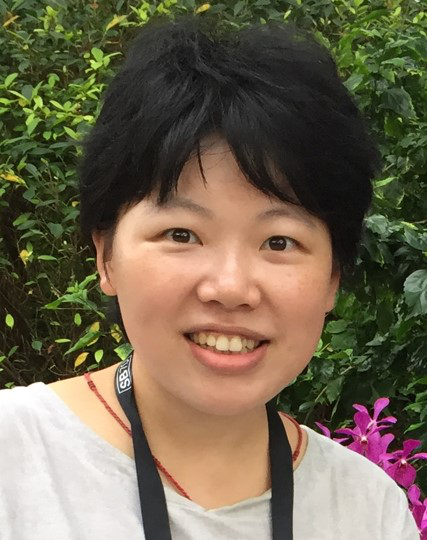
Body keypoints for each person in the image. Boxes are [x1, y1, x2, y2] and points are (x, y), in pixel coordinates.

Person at [0, 16, 419, 540]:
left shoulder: (367, 510)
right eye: (181, 234)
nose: (231, 288)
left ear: (333, 277)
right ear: (105, 257)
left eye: (279, 242)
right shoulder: (15, 459)